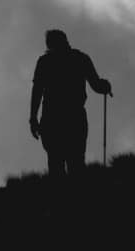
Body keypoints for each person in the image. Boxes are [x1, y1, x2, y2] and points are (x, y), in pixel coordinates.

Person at [29, 29, 112, 179]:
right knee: (76, 163)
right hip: (75, 117)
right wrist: (105, 86)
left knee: (55, 164)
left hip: (51, 119)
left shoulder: (45, 62)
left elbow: (37, 91)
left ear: (49, 44)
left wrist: (33, 118)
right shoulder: (80, 58)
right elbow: (96, 85)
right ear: (65, 41)